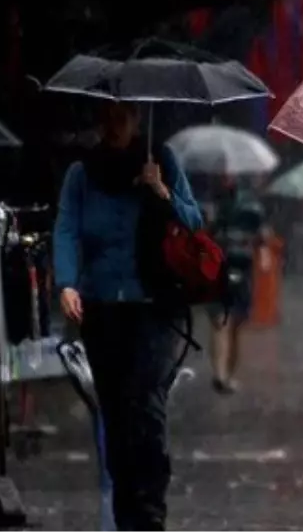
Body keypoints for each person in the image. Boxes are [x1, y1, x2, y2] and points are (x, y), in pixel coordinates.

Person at [53, 102, 203, 532]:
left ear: (138, 119)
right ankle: (126, 512)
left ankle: (151, 506)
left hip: (153, 308)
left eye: (124, 116)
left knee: (147, 404)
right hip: (102, 309)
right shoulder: (82, 175)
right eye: (108, 116)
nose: (115, 124)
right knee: (116, 411)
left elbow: (194, 221)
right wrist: (66, 281)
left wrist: (161, 190)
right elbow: (66, 228)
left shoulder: (162, 161)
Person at [207, 174, 269, 394]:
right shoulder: (211, 205)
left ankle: (228, 373)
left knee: (236, 325)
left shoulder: (251, 206)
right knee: (220, 322)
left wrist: (261, 256)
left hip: (241, 268)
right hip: (217, 269)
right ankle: (220, 374)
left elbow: (261, 236)